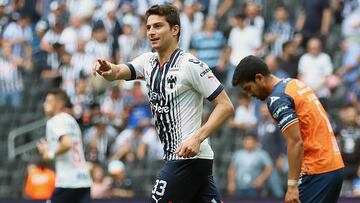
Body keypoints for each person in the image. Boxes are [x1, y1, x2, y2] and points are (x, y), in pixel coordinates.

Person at [93, 4, 234, 202]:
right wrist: (108, 68)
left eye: (158, 26)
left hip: (186, 158)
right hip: (190, 159)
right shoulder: (148, 62)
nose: (151, 32)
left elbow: (226, 105)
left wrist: (197, 138)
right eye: (149, 27)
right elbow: (117, 72)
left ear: (175, 29)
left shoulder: (190, 65)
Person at [232, 55, 344, 203]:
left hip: (316, 170)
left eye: (248, 88)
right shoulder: (294, 84)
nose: (249, 94)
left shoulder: (277, 99)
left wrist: (292, 186)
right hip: (333, 165)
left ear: (259, 78)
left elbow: (296, 142)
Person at [37, 89, 92, 203]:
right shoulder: (70, 120)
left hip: (68, 182)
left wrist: (49, 153)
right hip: (84, 180)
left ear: (59, 104)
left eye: (49, 101)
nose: (45, 104)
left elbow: (67, 143)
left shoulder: (55, 120)